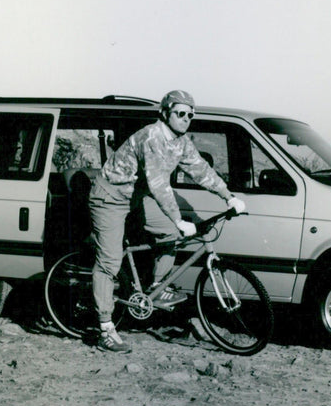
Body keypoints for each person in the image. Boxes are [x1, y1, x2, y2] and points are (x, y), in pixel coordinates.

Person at [89, 90, 246, 353]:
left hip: (137, 195)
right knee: (109, 262)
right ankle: (105, 329)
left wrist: (228, 197)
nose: (186, 118)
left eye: (190, 115)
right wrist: (178, 217)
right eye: (180, 113)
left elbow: (200, 170)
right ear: (165, 113)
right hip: (111, 196)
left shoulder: (181, 141)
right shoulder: (153, 136)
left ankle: (156, 287)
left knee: (171, 233)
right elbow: (159, 184)